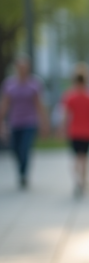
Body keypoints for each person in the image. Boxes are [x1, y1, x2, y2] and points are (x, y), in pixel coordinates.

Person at [0, 56, 48, 189]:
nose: (22, 69)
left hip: (30, 122)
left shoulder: (34, 84)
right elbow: (5, 103)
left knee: (25, 148)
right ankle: (21, 169)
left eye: (24, 67)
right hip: (15, 122)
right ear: (16, 68)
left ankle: (23, 174)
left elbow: (39, 105)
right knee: (15, 148)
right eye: (20, 67)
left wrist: (44, 123)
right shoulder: (9, 84)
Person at [61, 65, 89, 197]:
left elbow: (66, 116)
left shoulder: (70, 97)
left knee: (76, 158)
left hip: (74, 131)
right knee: (85, 158)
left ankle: (78, 181)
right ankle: (84, 180)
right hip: (88, 131)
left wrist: (62, 129)